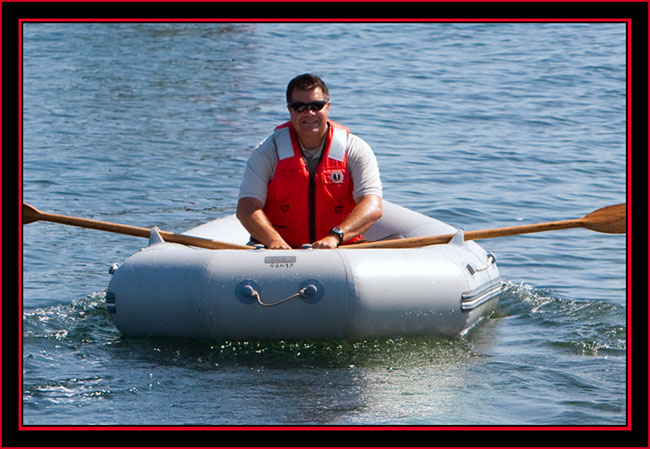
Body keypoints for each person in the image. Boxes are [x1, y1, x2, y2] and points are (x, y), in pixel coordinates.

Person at [237, 73, 383, 249]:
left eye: (317, 105)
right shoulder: (267, 151)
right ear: (290, 110)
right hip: (279, 250)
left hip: (341, 247)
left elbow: (373, 205)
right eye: (300, 107)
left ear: (327, 107)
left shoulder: (355, 149)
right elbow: (246, 208)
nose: (310, 113)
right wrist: (273, 241)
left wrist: (335, 236)